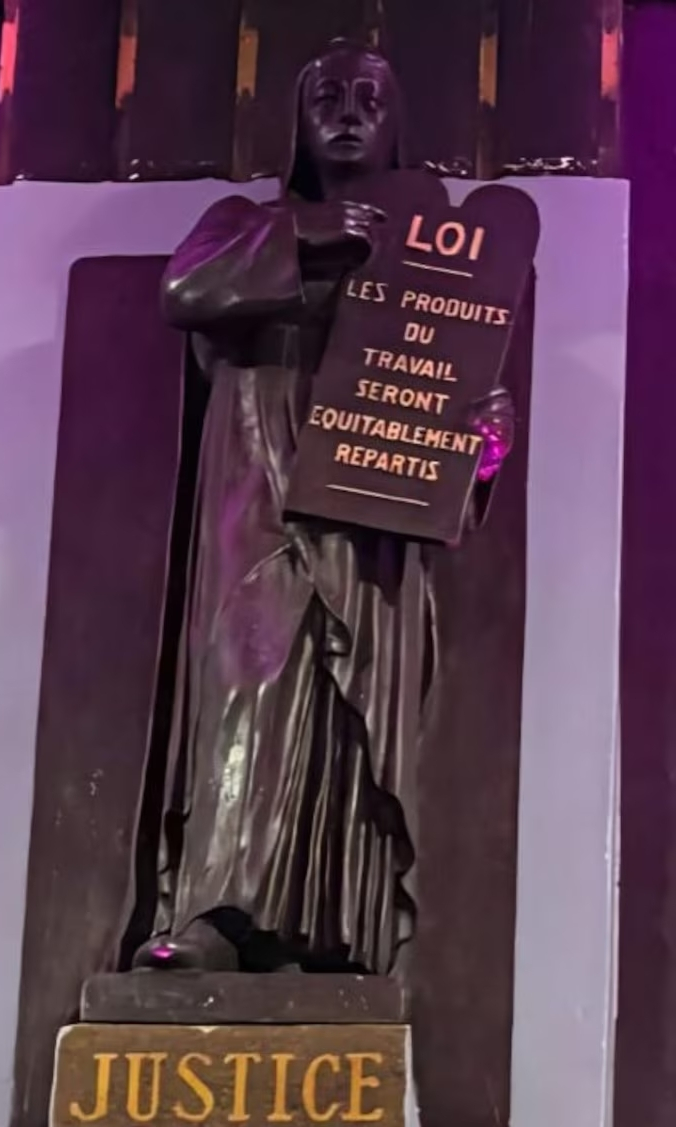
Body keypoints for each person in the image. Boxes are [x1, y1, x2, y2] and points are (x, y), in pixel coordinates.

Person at [133, 40, 514, 975]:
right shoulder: (248, 222)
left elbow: (439, 399)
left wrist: (482, 445)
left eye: (370, 98)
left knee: (352, 710)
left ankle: (339, 931)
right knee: (249, 675)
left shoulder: (431, 261)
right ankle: (215, 908)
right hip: (261, 480)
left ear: (397, 124)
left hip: (369, 510)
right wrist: (305, 236)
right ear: (297, 123)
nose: (348, 113)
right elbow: (184, 288)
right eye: (328, 97)